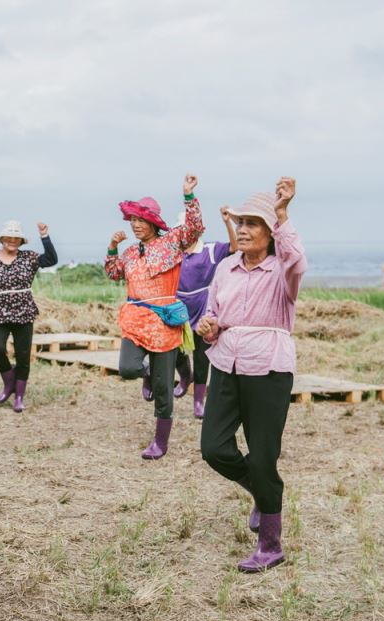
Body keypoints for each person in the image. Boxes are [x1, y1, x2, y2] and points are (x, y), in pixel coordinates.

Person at [198, 177, 305, 573]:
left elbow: (299, 260)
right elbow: (213, 313)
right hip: (226, 364)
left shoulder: (283, 272)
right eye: (240, 222)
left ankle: (271, 545)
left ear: (270, 233)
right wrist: (209, 326)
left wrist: (282, 213)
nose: (242, 229)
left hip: (269, 369)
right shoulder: (226, 268)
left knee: (263, 456)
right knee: (214, 448)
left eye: (252, 223)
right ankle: (260, 491)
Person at [106, 175, 205, 459]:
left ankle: (160, 442)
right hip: (136, 319)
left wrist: (188, 196)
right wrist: (112, 247)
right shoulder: (128, 253)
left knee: (164, 389)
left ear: (153, 223)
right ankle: (148, 372)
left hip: (164, 322)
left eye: (140, 220)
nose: (135, 225)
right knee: (127, 367)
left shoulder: (173, 242)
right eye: (132, 220)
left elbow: (195, 228)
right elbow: (114, 273)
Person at [0, 220, 58, 412]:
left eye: (16, 238)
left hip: (23, 310)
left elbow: (51, 259)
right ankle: (9, 383)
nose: (12, 241)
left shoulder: (29, 257)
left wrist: (45, 236)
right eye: (8, 238)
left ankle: (18, 396)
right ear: (2, 239)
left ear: (21, 241)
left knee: (23, 355)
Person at [172, 206, 238, 418]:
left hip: (202, 305)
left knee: (202, 356)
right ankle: (184, 376)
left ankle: (199, 401)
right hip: (179, 305)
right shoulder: (174, 253)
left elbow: (235, 248)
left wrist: (228, 222)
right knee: (176, 350)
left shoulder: (210, 249)